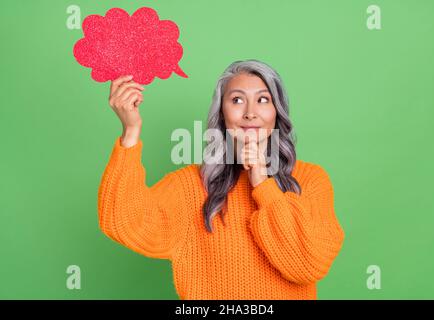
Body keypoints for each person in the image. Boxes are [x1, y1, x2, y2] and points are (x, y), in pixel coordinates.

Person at [97, 59, 345, 300]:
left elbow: (307, 265)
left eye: (263, 100)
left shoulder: (310, 180)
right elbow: (123, 221)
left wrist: (262, 182)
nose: (250, 113)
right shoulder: (192, 185)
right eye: (237, 100)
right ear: (222, 114)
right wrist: (130, 132)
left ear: (277, 112)